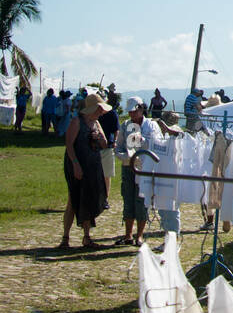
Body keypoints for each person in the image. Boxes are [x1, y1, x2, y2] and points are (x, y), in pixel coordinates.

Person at [117, 97, 181, 246]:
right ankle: (128, 234)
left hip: (145, 167)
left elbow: (156, 144)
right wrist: (124, 157)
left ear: (141, 109)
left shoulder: (151, 125)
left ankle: (139, 234)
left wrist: (140, 140)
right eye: (131, 112)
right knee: (128, 198)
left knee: (141, 200)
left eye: (135, 111)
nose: (132, 115)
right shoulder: (125, 125)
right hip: (129, 166)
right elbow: (119, 146)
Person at [59, 92, 110, 250]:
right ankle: (65, 237)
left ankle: (86, 237)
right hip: (77, 164)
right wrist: (75, 165)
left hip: (92, 165)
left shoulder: (96, 123)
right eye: (99, 109)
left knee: (88, 200)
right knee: (73, 200)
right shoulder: (77, 122)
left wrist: (99, 138)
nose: (101, 112)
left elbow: (104, 144)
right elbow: (69, 145)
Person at [98, 100, 120, 204]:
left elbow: (116, 129)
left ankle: (105, 198)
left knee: (106, 175)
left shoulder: (112, 113)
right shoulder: (93, 113)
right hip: (94, 147)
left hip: (108, 146)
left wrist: (115, 141)